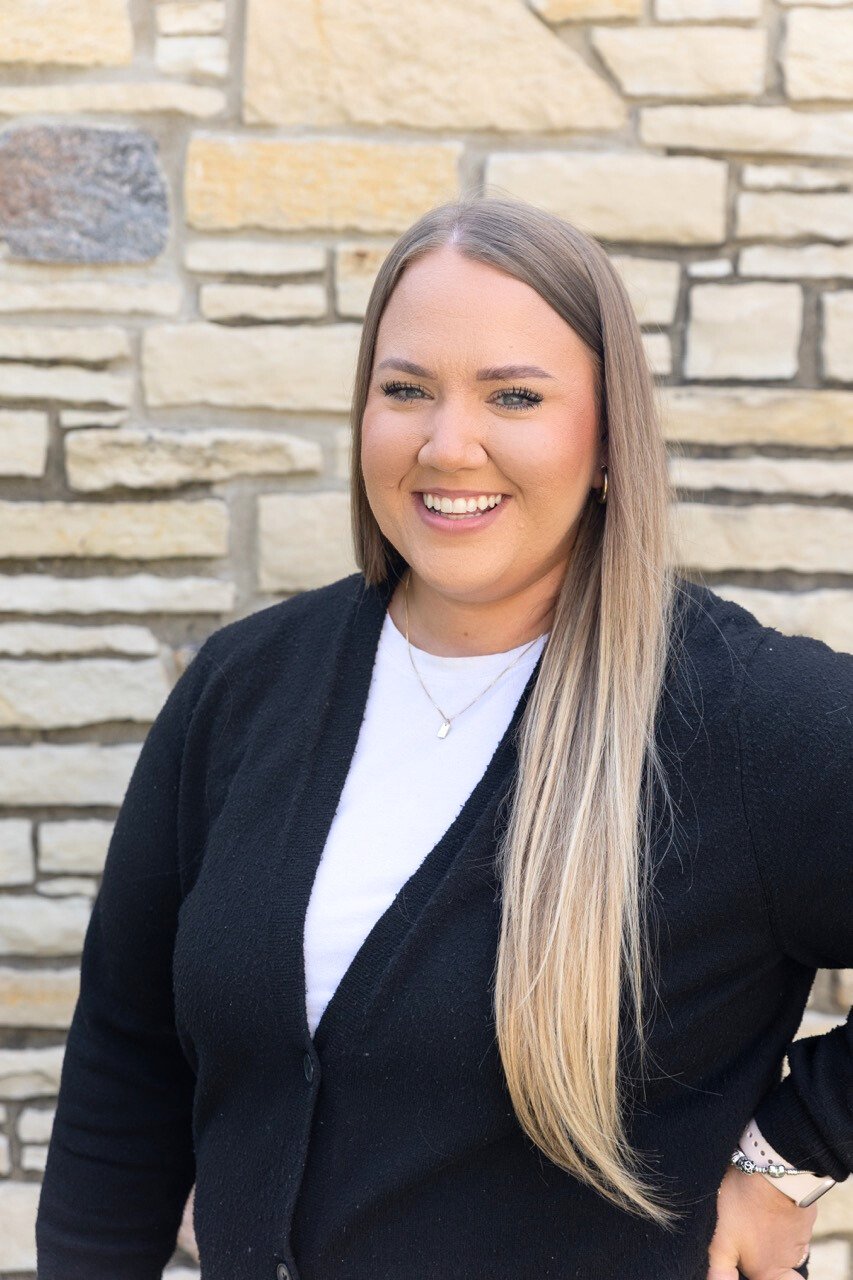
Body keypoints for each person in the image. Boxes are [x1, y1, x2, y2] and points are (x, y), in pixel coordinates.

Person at [35, 195, 851, 1280]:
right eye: (405, 389)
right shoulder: (244, 689)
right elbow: (125, 1065)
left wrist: (791, 1150)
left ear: (607, 438)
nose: (445, 442)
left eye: (513, 394)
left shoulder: (742, 717)